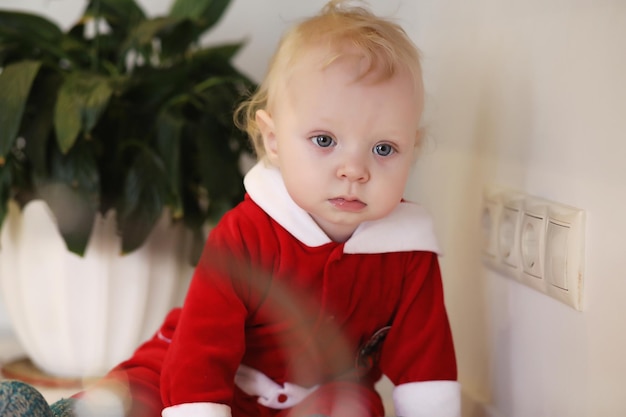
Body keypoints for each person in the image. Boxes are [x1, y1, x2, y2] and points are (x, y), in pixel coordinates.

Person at [0, 1, 460, 416]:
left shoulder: (408, 251)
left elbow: (426, 360)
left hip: (317, 394)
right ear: (274, 141)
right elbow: (202, 349)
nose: (354, 170)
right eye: (324, 141)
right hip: (191, 376)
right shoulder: (246, 235)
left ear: (411, 149)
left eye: (384, 149)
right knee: (134, 399)